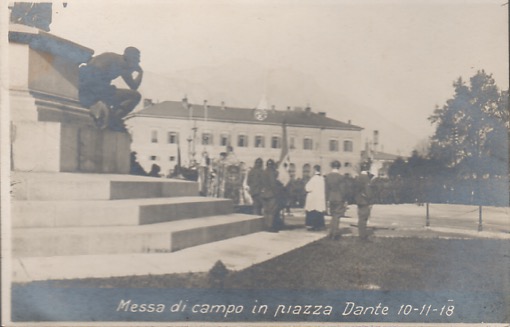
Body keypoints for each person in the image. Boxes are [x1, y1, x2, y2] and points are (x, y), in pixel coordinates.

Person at [79, 46, 143, 131]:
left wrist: (141, 73)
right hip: (90, 90)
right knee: (135, 96)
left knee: (135, 96)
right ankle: (113, 120)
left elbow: (134, 87)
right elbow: (90, 76)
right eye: (136, 58)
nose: (138, 61)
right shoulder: (110, 59)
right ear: (128, 57)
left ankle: (113, 119)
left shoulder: (123, 65)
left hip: (98, 90)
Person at [325, 160, 346, 240]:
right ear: (339, 167)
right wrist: (344, 199)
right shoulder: (341, 177)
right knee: (337, 216)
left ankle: (331, 232)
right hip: (339, 197)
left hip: (331, 197)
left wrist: (327, 199)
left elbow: (326, 189)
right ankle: (335, 233)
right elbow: (343, 189)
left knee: (333, 215)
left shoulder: (328, 176)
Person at [260, 159, 281, 232]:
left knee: (266, 211)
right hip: (271, 194)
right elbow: (273, 184)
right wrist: (276, 193)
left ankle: (266, 226)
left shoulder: (264, 172)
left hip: (264, 193)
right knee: (271, 211)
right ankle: (270, 227)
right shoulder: (271, 172)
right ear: (272, 165)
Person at [304, 165, 326, 231]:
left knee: (312, 211)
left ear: (314, 170)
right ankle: (319, 225)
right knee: (319, 211)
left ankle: (311, 225)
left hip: (313, 198)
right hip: (320, 198)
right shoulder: (322, 179)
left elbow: (307, 188)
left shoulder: (313, 179)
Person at [355, 170, 374, 241]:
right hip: (365, 201)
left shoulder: (357, 178)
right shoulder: (366, 178)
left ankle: (361, 234)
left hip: (359, 200)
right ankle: (363, 236)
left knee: (360, 218)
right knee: (364, 218)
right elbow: (368, 191)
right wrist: (370, 199)